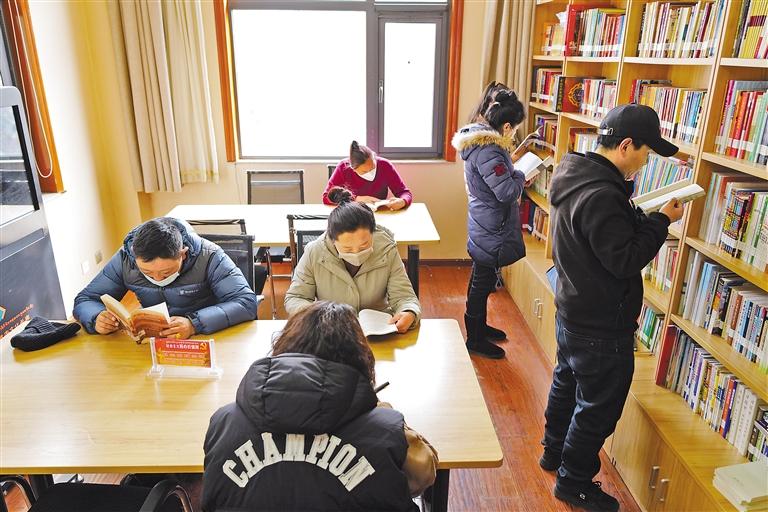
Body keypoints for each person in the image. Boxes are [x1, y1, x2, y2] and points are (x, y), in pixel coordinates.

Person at [540, 104, 685, 512]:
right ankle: (574, 482)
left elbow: (600, 240)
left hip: (572, 309)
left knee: (566, 383)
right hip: (601, 324)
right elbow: (624, 259)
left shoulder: (575, 173)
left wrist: (637, 216)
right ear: (626, 146)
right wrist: (661, 222)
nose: (646, 161)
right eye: (645, 153)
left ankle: (553, 451)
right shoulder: (604, 194)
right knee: (598, 408)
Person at [202, 300, 438, 512]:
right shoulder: (384, 427)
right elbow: (424, 477)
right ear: (359, 356)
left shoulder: (224, 421)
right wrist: (388, 417)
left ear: (284, 346)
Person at [73, 217, 259, 337]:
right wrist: (96, 317)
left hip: (207, 336)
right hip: (154, 340)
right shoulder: (125, 259)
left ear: (183, 254)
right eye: (147, 273)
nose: (157, 279)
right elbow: (85, 299)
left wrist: (194, 324)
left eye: (166, 273)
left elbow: (246, 302)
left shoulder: (210, 256)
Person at [451, 88, 527, 359]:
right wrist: (521, 174)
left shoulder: (480, 142)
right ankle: (475, 338)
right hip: (492, 225)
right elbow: (506, 192)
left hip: (485, 220)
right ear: (506, 126)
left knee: (480, 278)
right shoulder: (490, 150)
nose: (514, 134)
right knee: (482, 282)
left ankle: (479, 328)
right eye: (514, 128)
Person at [285, 187, 420, 333]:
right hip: (330, 333)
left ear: (373, 233)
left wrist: (409, 312)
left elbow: (404, 296)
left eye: (364, 245)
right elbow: (296, 297)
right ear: (332, 239)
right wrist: (318, 318)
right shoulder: (315, 252)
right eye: (347, 249)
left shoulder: (386, 249)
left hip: (378, 331)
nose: (356, 253)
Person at [323, 141, 412, 210]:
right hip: (352, 215)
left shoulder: (385, 165)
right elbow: (326, 197)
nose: (370, 172)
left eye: (373, 167)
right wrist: (356, 199)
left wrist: (403, 201)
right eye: (365, 171)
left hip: (379, 214)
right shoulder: (343, 167)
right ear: (353, 169)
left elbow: (404, 192)